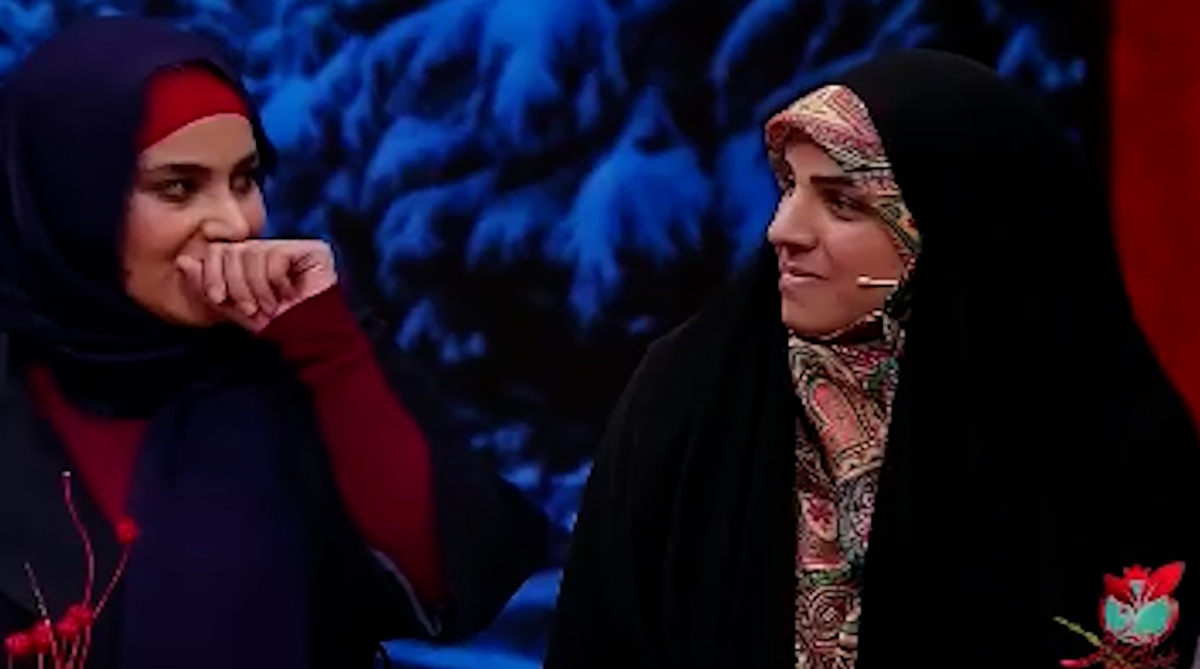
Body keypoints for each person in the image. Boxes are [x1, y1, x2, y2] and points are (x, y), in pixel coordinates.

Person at [545, 50, 1200, 669]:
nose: (783, 230)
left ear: (945, 229)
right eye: (788, 186)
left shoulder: (1099, 439)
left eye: (842, 203)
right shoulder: (687, 399)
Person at [0, 16, 547, 669]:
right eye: (179, 187)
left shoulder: (306, 362)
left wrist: (333, 354)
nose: (235, 223)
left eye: (245, 179)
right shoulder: (13, 388)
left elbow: (449, 585)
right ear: (71, 198)